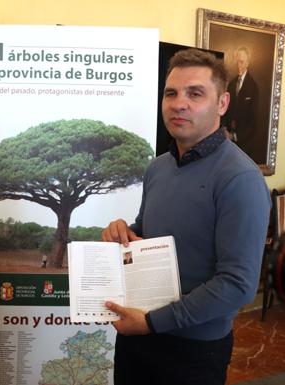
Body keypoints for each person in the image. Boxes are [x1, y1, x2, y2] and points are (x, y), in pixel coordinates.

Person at [102, 49, 270, 385]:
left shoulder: (240, 179)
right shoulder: (158, 167)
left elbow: (237, 286)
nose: (179, 103)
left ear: (222, 104)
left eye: (195, 94)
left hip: (193, 350)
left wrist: (152, 322)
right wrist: (124, 232)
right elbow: (150, 233)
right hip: (138, 336)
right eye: (171, 93)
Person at [224, 46, 260, 160]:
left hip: (244, 145)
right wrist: (224, 130)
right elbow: (225, 109)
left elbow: (253, 121)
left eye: (242, 62)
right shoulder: (231, 84)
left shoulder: (253, 87)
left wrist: (235, 136)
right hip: (228, 143)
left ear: (247, 63)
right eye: (237, 61)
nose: (239, 65)